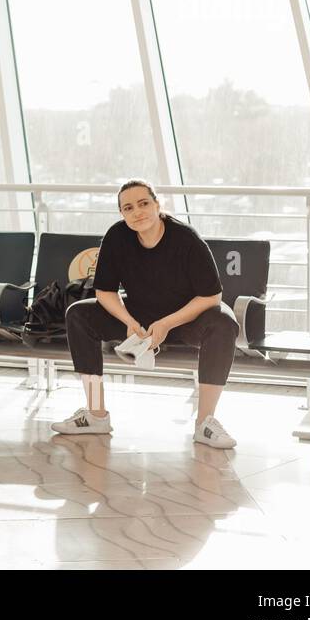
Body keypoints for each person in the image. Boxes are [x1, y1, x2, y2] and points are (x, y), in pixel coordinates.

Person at [51, 178, 240, 448]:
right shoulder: (117, 237)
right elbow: (104, 291)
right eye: (128, 208)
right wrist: (128, 321)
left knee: (223, 322)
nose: (137, 212)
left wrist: (166, 323)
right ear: (122, 214)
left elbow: (211, 296)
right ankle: (96, 415)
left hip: (185, 319)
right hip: (139, 319)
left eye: (143, 204)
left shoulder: (185, 239)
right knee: (78, 315)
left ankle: (205, 423)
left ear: (157, 205)